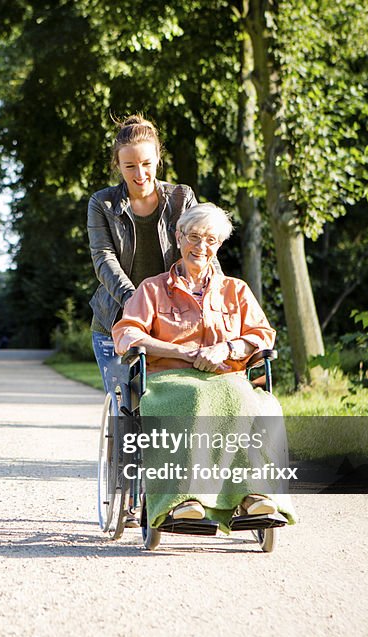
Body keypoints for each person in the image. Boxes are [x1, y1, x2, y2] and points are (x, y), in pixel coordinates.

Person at [111, 203, 296, 530]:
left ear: (219, 244)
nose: (201, 247)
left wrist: (228, 348)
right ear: (178, 237)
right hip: (169, 379)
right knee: (193, 401)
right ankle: (184, 499)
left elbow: (262, 335)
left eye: (210, 240)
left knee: (250, 401)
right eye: (194, 237)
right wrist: (181, 353)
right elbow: (127, 333)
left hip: (226, 376)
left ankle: (253, 495)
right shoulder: (152, 289)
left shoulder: (235, 290)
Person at [87, 114, 198, 393]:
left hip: (173, 322)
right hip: (116, 321)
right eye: (130, 166)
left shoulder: (182, 199)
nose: (140, 174)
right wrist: (136, 302)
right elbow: (103, 259)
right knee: (127, 407)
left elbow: (202, 253)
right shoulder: (103, 203)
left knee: (171, 405)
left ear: (158, 158)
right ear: (118, 165)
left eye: (147, 164)